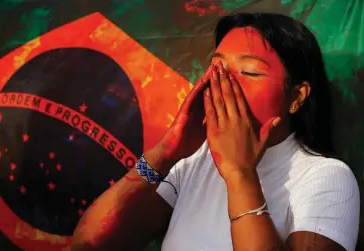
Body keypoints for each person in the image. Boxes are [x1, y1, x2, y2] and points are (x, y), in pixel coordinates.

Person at [71, 13, 360, 251]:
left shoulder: (325, 177)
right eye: (218, 69)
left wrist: (239, 173)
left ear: (297, 97)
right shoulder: (195, 160)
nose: (223, 85)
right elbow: (90, 242)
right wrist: (165, 153)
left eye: (249, 72)